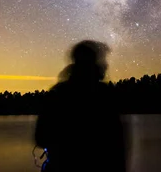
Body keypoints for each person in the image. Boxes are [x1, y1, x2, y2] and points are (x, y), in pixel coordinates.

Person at [35, 40, 128, 172]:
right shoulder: (105, 94)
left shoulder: (58, 93)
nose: (106, 64)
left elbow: (41, 138)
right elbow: (117, 145)